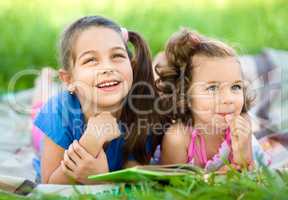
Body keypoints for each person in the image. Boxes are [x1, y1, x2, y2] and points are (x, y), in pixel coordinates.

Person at [34, 15, 161, 184]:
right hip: (50, 134)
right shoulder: (58, 111)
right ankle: (43, 80)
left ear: (131, 65)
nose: (108, 68)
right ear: (69, 79)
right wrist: (91, 142)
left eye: (117, 56)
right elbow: (49, 185)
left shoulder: (142, 111)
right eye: (91, 60)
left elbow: (133, 183)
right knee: (38, 111)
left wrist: (101, 180)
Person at [155, 28, 269, 172]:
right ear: (185, 94)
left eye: (235, 86)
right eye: (212, 88)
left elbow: (252, 178)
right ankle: (157, 61)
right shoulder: (178, 139)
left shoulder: (242, 124)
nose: (228, 99)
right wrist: (217, 178)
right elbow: (171, 186)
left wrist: (242, 154)